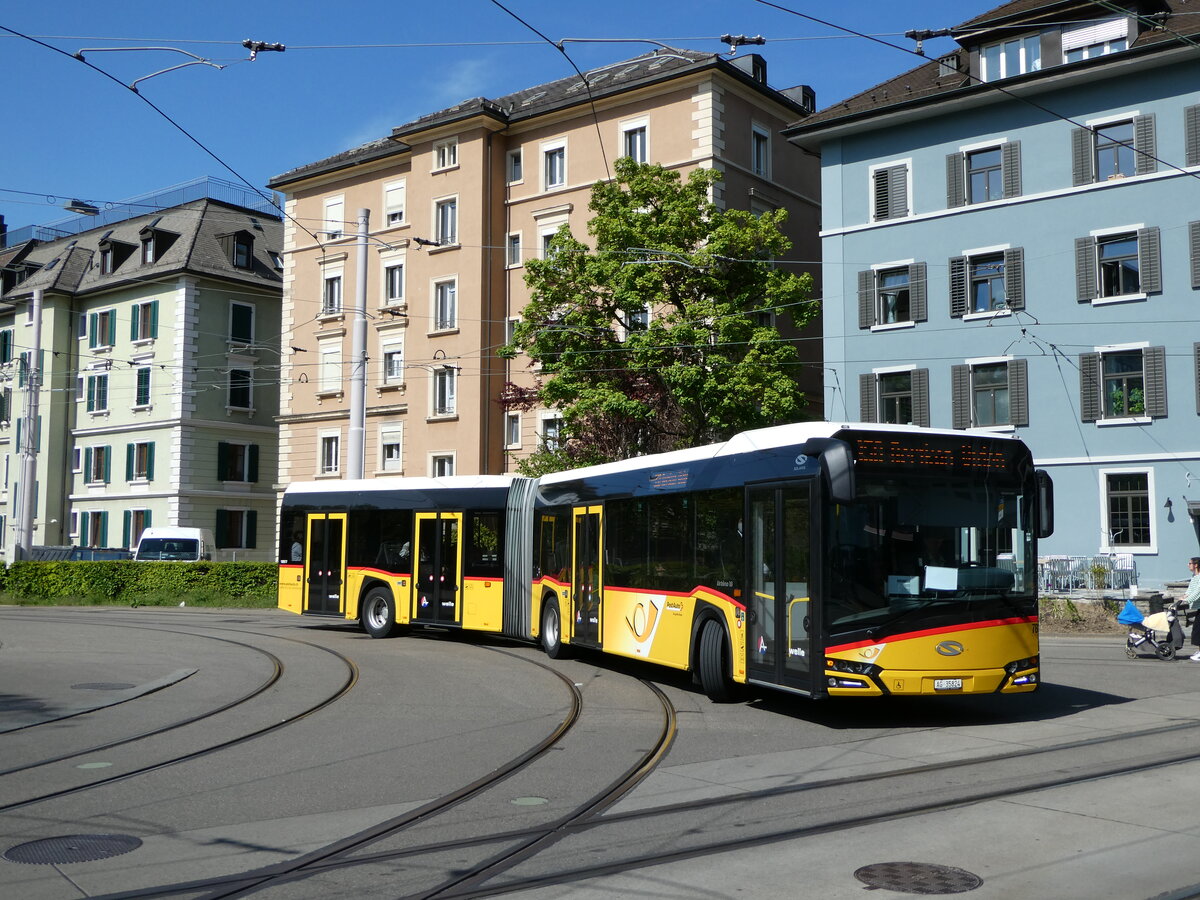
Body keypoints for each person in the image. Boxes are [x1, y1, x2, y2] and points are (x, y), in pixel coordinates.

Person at [1185, 558, 1200, 661]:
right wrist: (1184, 596)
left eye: (1190, 563)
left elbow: (1198, 591)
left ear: (1196, 565)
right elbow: (1190, 590)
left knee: (1198, 631)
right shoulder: (1194, 577)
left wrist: (1187, 600)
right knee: (1197, 630)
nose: (1188, 565)